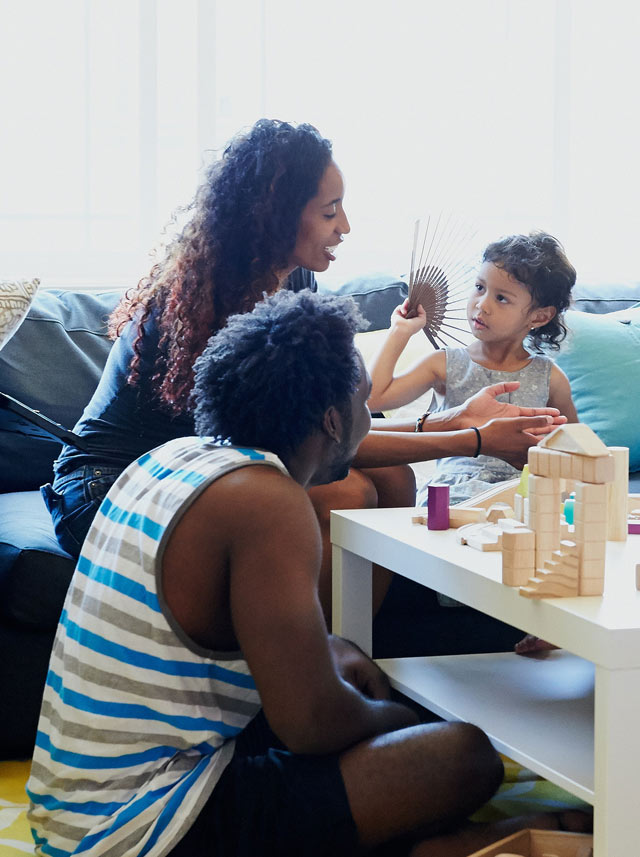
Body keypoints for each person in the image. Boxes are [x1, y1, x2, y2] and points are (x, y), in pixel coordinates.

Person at [27, 290, 579, 857]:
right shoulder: (266, 499)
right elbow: (311, 726)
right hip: (145, 828)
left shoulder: (174, 457)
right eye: (368, 406)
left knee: (376, 728)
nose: (372, 422)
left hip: (74, 812)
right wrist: (395, 714)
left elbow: (223, 640)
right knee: (463, 755)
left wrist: (328, 652)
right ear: (334, 419)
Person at [40, 119, 560, 624]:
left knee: (392, 479)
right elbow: (310, 440)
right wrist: (471, 439)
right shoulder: (213, 303)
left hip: (210, 470)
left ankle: (353, 652)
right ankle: (309, 677)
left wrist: (447, 425)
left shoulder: (292, 282)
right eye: (331, 211)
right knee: (347, 493)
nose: (346, 227)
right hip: (113, 485)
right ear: (277, 215)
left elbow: (327, 427)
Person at [368, 231, 579, 505]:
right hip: (453, 495)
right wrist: (400, 331)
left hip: (524, 496)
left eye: (501, 298)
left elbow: (574, 448)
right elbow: (374, 398)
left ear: (540, 316)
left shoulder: (549, 377)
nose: (482, 304)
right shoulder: (445, 363)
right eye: (480, 288)